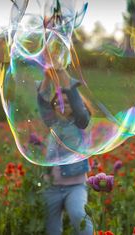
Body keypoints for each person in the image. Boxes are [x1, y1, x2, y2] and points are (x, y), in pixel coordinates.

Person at [37, 68, 93, 235]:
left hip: (75, 186)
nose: (61, 105)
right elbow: (43, 102)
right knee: (51, 227)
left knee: (79, 216)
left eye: (66, 102)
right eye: (58, 102)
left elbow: (78, 108)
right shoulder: (52, 122)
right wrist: (47, 78)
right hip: (51, 186)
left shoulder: (80, 123)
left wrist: (63, 75)